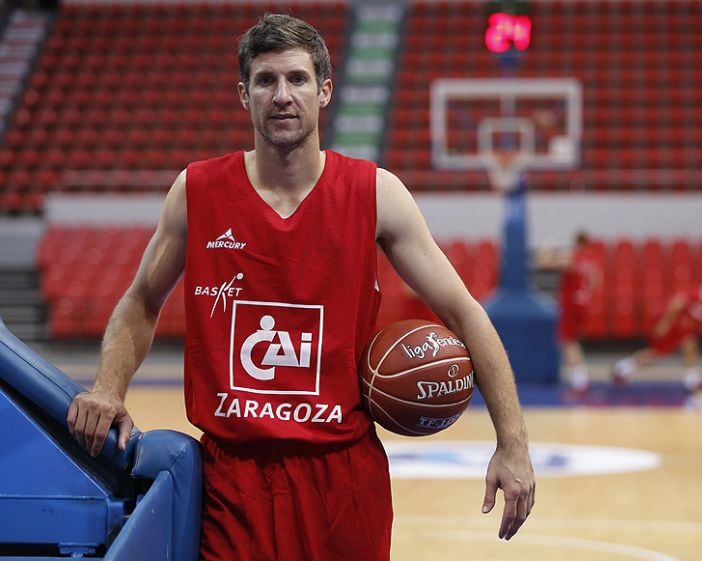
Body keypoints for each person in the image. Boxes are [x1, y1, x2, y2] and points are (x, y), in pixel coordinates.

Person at [66, 13, 535, 561]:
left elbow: (463, 311)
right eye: (266, 80)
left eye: (297, 79)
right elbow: (142, 301)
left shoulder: (376, 193)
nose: (282, 95)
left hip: (342, 480)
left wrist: (513, 443)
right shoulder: (197, 190)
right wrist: (108, 387)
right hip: (232, 483)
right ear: (244, 95)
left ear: (325, 90)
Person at [611, 278, 702, 392]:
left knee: (676, 348)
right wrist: (664, 324)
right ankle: (623, 368)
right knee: (667, 350)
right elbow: (676, 303)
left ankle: (623, 368)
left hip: (680, 328)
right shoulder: (698, 295)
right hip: (669, 323)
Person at [537, 231, 600, 393]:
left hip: (571, 303)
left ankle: (580, 380)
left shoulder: (573, 256)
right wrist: (585, 294)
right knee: (572, 340)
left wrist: (547, 248)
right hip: (584, 303)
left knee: (567, 340)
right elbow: (596, 281)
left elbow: (544, 263)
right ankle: (580, 376)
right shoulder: (590, 259)